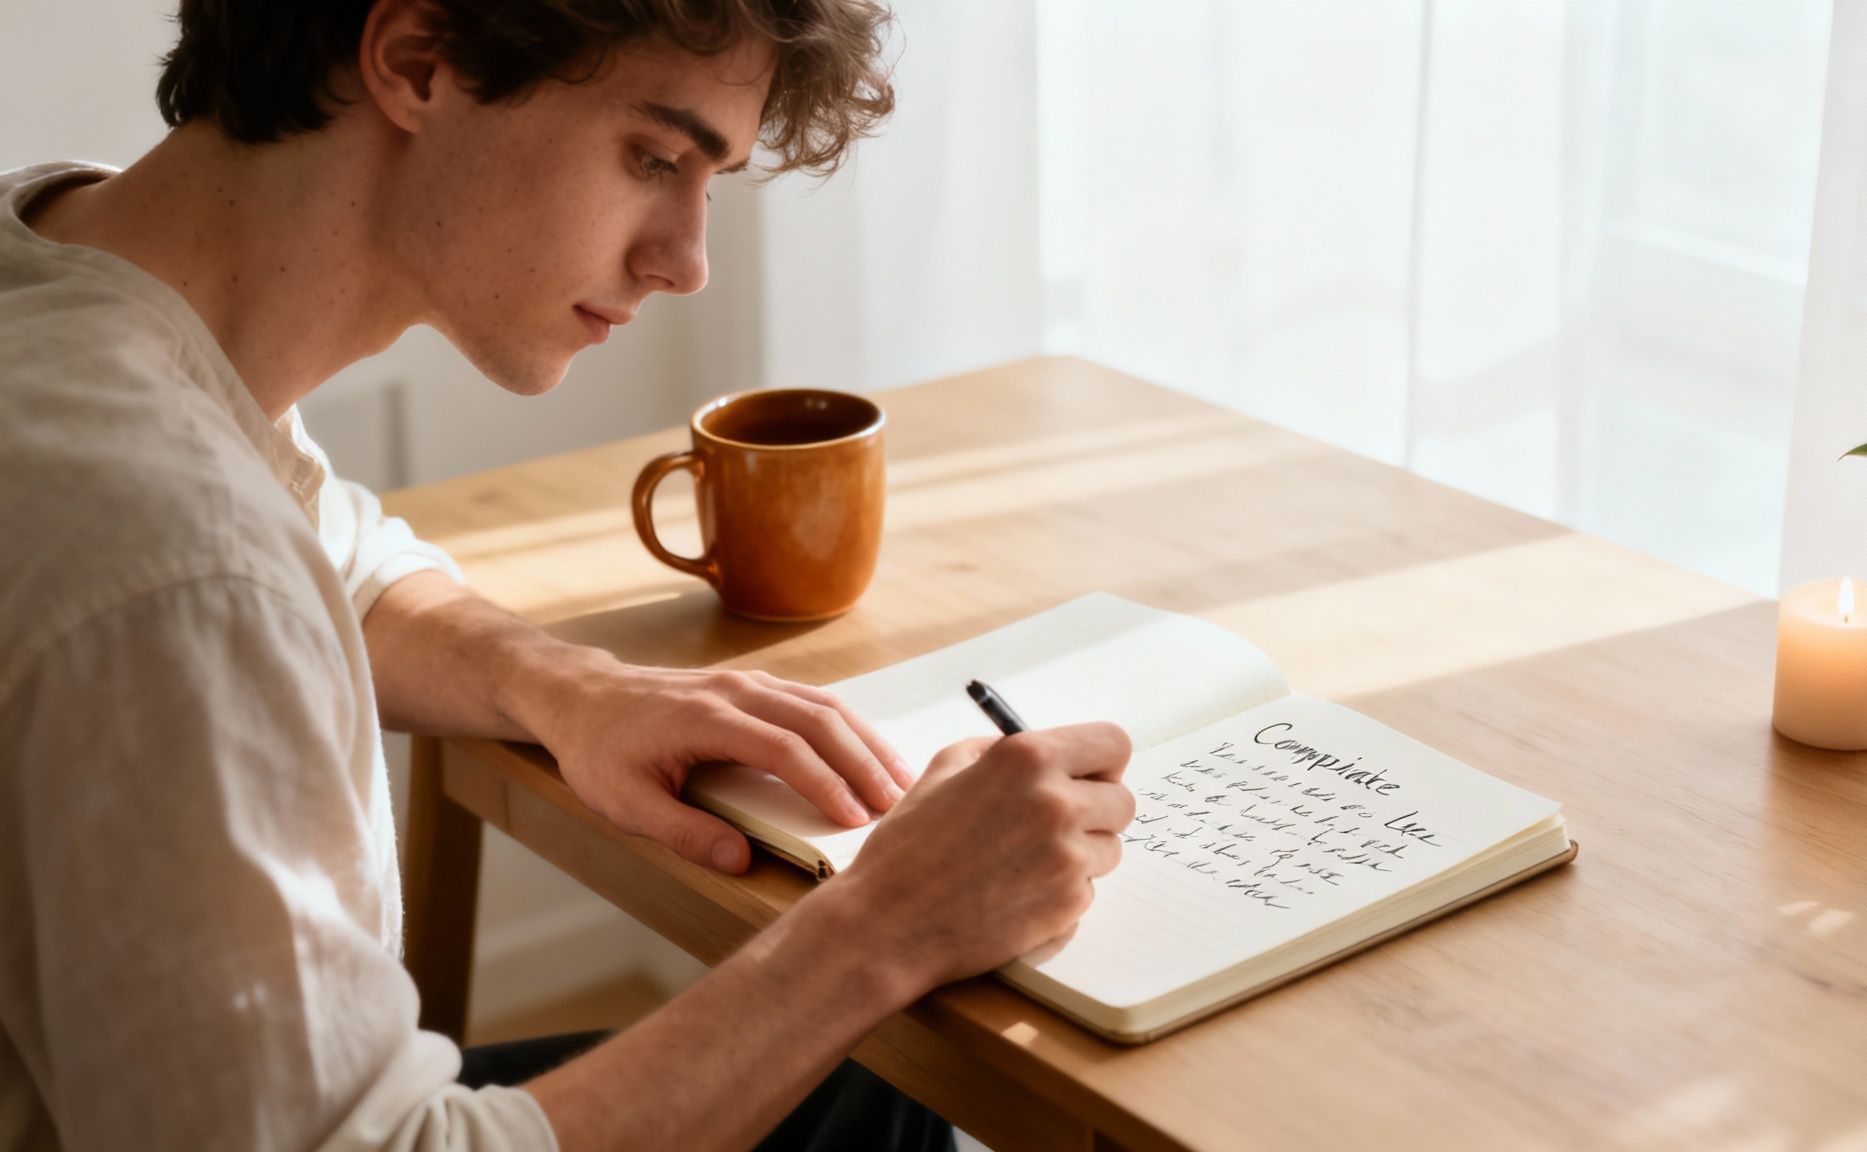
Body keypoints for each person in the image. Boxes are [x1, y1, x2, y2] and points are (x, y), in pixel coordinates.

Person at [0, 0, 1136, 1148]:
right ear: (418, 61)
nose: (686, 262)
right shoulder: (179, 565)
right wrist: (882, 927)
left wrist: (565, 684)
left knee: (866, 1088)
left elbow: (330, 552)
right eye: (652, 156)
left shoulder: (64, 268)